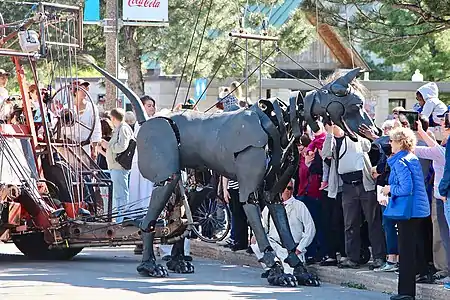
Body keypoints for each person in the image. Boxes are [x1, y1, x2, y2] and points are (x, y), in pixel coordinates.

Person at [325, 122, 386, 270]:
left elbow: (367, 146)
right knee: (350, 223)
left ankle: (379, 257)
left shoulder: (356, 139)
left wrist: (353, 133)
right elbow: (326, 154)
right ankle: (352, 257)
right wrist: (329, 135)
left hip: (365, 185)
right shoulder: (334, 142)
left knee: (373, 222)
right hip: (347, 187)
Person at [382, 127, 431, 300]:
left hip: (408, 212)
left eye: (392, 141)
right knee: (414, 249)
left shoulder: (400, 161)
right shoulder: (412, 157)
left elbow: (405, 188)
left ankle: (405, 293)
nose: (390, 144)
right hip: (417, 210)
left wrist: (389, 189)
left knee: (406, 252)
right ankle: (409, 290)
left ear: (400, 142)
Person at [251, 179, 315, 275]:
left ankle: (284, 267)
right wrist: (256, 235)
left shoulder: (299, 206)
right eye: (284, 188)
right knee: (256, 245)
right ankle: (271, 269)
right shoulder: (270, 206)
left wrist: (300, 248)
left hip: (292, 248)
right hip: (274, 243)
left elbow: (310, 229)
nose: (287, 190)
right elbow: (263, 225)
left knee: (291, 273)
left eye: (289, 188)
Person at [129, 95, 156, 255]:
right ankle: (139, 239)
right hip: (140, 164)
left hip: (149, 164)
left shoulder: (154, 123)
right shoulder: (142, 125)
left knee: (147, 199)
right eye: (148, 105)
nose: (152, 108)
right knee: (139, 199)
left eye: (153, 105)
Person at [99, 108, 134, 223]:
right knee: (119, 195)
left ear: (113, 118)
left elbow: (121, 146)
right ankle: (120, 219)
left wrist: (108, 145)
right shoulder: (120, 128)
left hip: (119, 167)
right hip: (116, 167)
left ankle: (122, 220)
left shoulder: (123, 128)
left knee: (121, 196)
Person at [64, 80, 102, 160]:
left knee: (85, 170)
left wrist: (94, 148)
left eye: (87, 89)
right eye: (82, 89)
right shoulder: (67, 108)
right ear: (75, 92)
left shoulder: (92, 108)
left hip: (85, 147)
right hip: (68, 148)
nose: (86, 91)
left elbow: (96, 128)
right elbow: (62, 128)